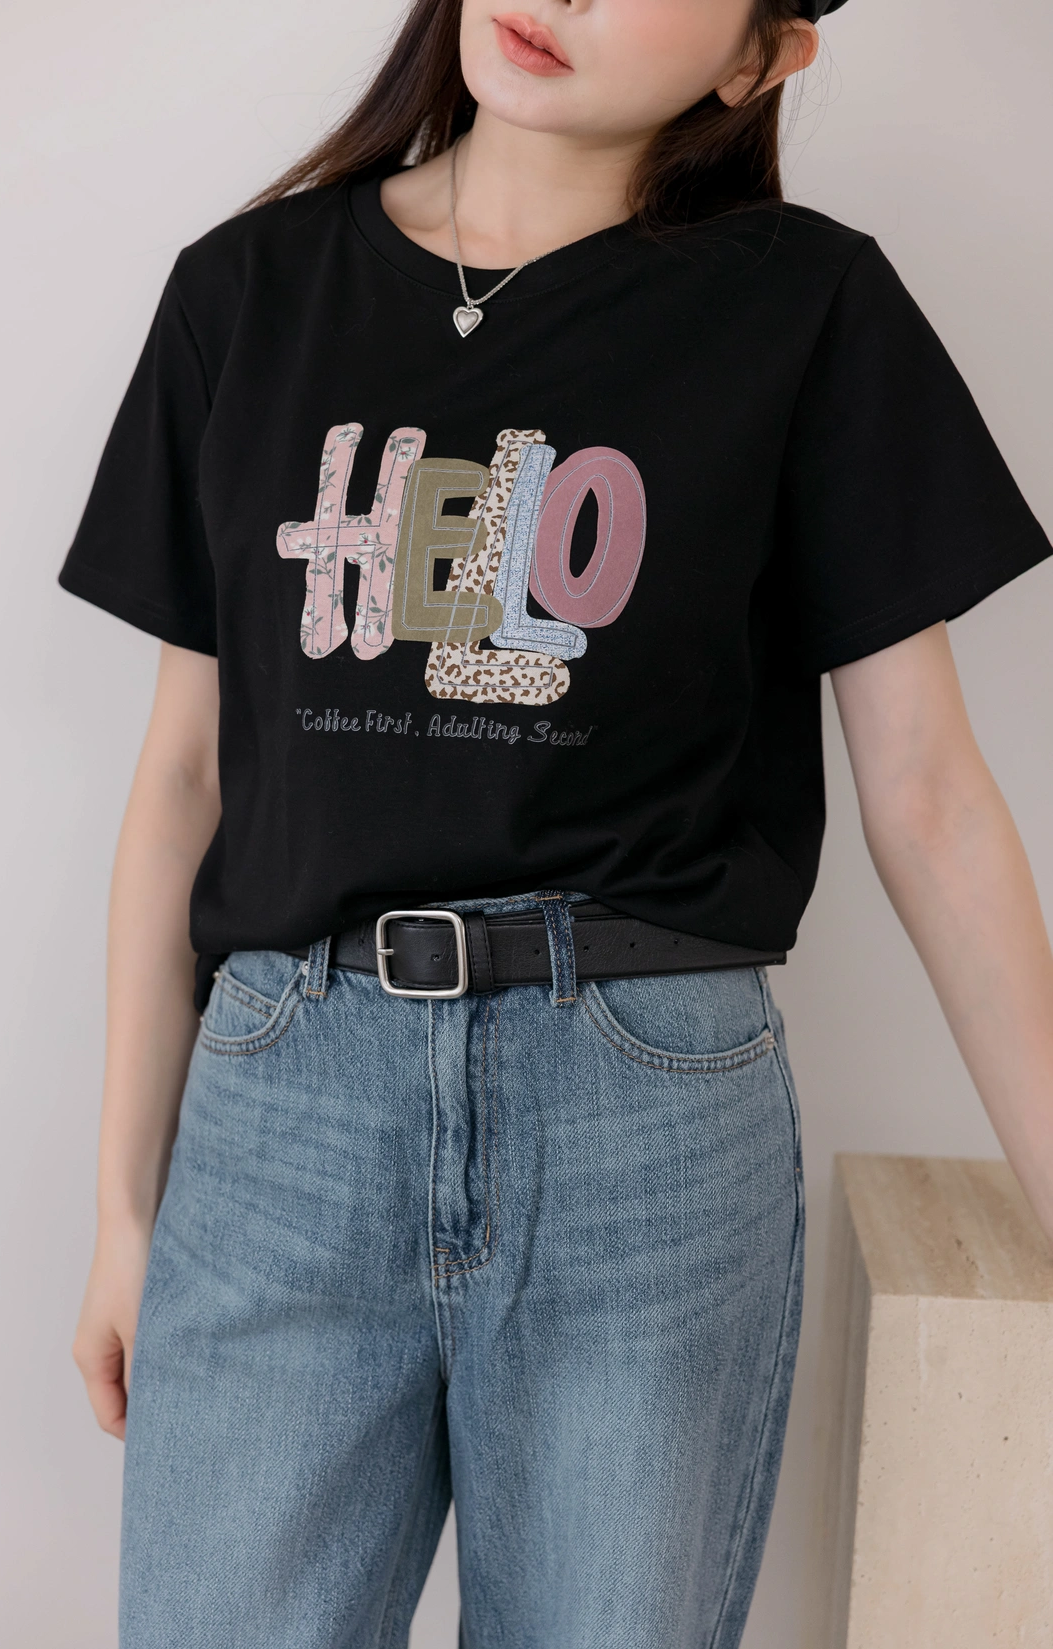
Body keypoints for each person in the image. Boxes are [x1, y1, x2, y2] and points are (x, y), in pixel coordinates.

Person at [60, 1, 1053, 1644]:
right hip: (284, 1110)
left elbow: (933, 799)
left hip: (641, 1122)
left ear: (760, 58)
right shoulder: (248, 293)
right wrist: (121, 1214)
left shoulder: (806, 307)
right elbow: (185, 779)